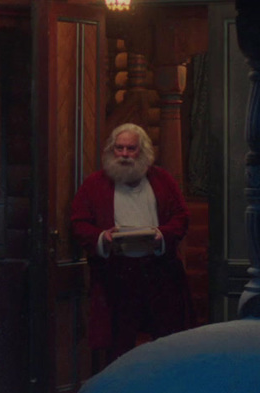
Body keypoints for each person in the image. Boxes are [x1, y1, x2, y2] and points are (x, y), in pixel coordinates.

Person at [69, 122, 191, 365]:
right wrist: (103, 237)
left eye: (131, 149)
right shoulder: (94, 184)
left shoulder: (163, 180)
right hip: (116, 277)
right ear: (111, 151)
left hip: (159, 274)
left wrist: (161, 235)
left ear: (142, 152)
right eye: (119, 148)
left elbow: (181, 217)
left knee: (168, 345)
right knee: (117, 348)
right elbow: (79, 223)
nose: (124, 155)